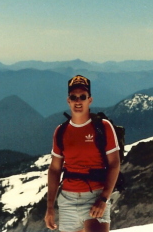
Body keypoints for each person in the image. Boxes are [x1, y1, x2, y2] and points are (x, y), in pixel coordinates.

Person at [45, 75, 121, 232]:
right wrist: (50, 207)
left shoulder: (103, 127)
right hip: (67, 199)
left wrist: (104, 198)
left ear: (90, 100)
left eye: (82, 97)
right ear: (68, 101)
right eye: (74, 97)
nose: (78, 101)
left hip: (95, 197)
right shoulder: (61, 131)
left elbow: (114, 164)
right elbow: (54, 169)